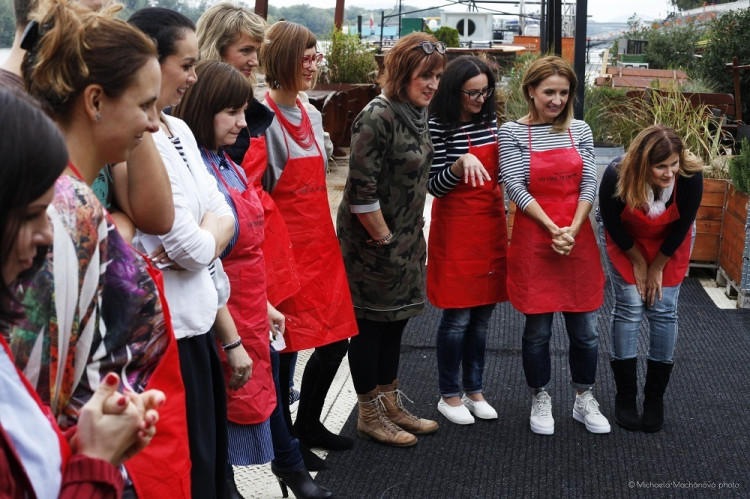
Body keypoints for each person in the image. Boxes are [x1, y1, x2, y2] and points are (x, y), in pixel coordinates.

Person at [12, 1, 191, 496]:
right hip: (76, 465)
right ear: (94, 102)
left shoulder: (68, 198)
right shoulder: (62, 212)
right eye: (144, 105)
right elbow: (33, 385)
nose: (155, 124)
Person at [174, 60, 332, 499]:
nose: (244, 123)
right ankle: (237, 484)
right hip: (219, 306)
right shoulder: (197, 169)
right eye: (232, 113)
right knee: (224, 403)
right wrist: (232, 337)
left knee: (260, 389)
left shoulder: (224, 161)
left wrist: (262, 304)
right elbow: (203, 258)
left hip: (246, 295)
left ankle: (282, 468)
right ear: (202, 107)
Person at [127, 8, 240, 499]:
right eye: (187, 65)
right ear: (150, 61)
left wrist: (206, 235)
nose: (194, 77)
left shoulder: (182, 131)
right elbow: (192, 247)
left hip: (197, 327)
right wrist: (208, 235)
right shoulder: (139, 139)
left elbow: (224, 212)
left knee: (209, 467)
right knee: (182, 476)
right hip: (165, 339)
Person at [336, 32, 445, 446]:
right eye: (424, 76)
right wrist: (384, 243)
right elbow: (360, 190)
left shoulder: (416, 113)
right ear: (402, 74)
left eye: (437, 76)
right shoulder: (378, 115)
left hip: (405, 239)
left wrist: (407, 243)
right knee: (370, 328)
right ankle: (369, 414)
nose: (432, 84)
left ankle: (389, 403)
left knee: (396, 323)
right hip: (372, 246)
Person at [260, 20, 358, 453]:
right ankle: (286, 444)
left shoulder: (313, 113)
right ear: (281, 59)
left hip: (320, 246)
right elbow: (258, 198)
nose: (314, 64)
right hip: (283, 253)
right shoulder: (262, 121)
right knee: (284, 351)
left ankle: (308, 423)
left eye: (316, 55)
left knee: (336, 336)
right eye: (306, 56)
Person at [498, 55, 610, 436]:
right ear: (531, 91)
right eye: (549, 92)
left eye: (564, 92)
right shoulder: (511, 133)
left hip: (576, 242)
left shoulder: (580, 130)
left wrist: (573, 228)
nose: (557, 100)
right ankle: (540, 395)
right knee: (538, 331)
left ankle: (583, 398)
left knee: (586, 331)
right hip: (536, 241)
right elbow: (515, 186)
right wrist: (552, 229)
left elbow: (589, 184)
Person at [598, 125, 703, 432]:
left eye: (674, 163)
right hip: (627, 239)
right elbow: (610, 221)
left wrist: (656, 266)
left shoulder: (690, 177)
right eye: (660, 166)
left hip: (669, 243)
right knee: (630, 305)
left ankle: (654, 398)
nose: (669, 173)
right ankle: (626, 396)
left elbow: (683, 227)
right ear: (643, 162)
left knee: (664, 308)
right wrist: (637, 261)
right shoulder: (616, 173)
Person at [426, 55, 508, 425]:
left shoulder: (490, 121)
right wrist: (459, 164)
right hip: (457, 227)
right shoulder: (438, 125)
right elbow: (435, 186)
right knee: (457, 316)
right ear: (453, 90)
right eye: (471, 93)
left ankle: (475, 389)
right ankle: (449, 394)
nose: (479, 100)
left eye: (485, 92)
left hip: (490, 224)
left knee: (482, 316)